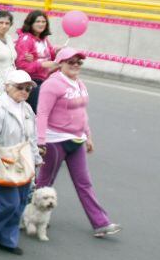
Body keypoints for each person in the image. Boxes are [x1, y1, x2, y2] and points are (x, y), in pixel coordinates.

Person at [35, 49, 121, 238]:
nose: (75, 65)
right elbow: (42, 114)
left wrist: (88, 135)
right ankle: (25, 214)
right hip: (55, 141)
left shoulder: (79, 83)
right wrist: (40, 142)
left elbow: (82, 112)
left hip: (77, 140)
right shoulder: (52, 84)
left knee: (84, 183)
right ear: (60, 63)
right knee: (43, 182)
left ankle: (101, 223)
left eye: (79, 62)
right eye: (71, 61)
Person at [0, 70, 42, 255]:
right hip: (2, 160)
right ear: (7, 87)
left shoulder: (27, 108)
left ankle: (7, 239)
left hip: (23, 160)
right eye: (20, 87)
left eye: (28, 88)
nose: (24, 91)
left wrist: (37, 158)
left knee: (21, 202)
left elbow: (32, 138)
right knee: (9, 203)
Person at [15, 10, 59, 112]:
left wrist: (56, 52)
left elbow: (50, 58)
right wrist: (41, 64)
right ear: (31, 23)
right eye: (38, 21)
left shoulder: (43, 39)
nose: (41, 24)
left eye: (44, 22)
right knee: (37, 115)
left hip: (44, 80)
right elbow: (21, 65)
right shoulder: (26, 40)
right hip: (31, 83)